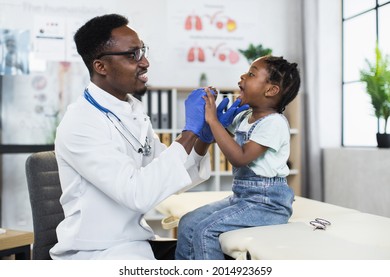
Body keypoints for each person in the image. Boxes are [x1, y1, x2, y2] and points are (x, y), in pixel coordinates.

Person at [50, 13, 246, 260]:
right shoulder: (81, 123)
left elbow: (168, 175)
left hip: (134, 242)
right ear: (101, 66)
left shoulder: (132, 109)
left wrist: (204, 138)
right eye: (133, 55)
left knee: (224, 255)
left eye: (142, 51)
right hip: (99, 252)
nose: (145, 62)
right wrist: (189, 133)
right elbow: (138, 195)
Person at [175, 55, 301, 260]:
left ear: (271, 90)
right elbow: (220, 138)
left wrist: (213, 120)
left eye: (251, 74)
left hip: (267, 203)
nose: (242, 76)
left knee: (206, 231)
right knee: (188, 222)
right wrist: (209, 124)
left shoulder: (274, 123)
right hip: (243, 196)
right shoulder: (244, 116)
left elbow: (240, 158)